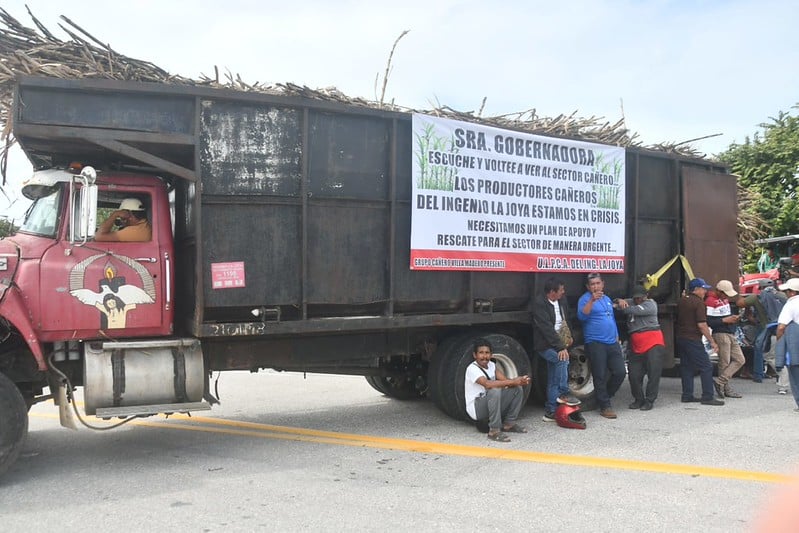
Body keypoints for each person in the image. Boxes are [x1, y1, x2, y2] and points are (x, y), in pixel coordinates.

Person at [577, 272, 626, 419]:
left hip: (612, 341)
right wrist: (591, 300)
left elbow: (610, 318)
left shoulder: (607, 299)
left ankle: (605, 396)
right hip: (595, 342)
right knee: (600, 374)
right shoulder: (584, 299)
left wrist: (617, 335)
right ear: (588, 286)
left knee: (620, 372)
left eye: (598, 283)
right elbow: (582, 316)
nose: (595, 286)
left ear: (602, 284)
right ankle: (605, 406)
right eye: (592, 284)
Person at [532, 277, 581, 422]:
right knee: (562, 360)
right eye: (561, 290)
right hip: (545, 344)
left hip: (561, 341)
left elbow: (567, 320)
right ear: (552, 292)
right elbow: (546, 328)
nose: (563, 292)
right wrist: (559, 347)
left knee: (553, 378)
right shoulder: (539, 304)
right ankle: (564, 392)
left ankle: (551, 411)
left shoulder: (562, 301)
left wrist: (569, 336)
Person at [464, 338, 530, 442]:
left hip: (489, 401)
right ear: (475, 355)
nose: (484, 356)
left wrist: (520, 381)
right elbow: (487, 384)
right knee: (494, 390)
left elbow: (505, 380)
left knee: (517, 389)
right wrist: (513, 381)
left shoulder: (492, 365)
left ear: (491, 355)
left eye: (487, 353)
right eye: (481, 353)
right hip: (477, 408)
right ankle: (494, 431)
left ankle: (509, 424)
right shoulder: (472, 369)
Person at [614, 285, 664, 410]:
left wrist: (622, 306)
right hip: (636, 344)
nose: (638, 300)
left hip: (653, 342)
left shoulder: (651, 305)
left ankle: (650, 400)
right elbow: (614, 303)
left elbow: (630, 310)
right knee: (633, 374)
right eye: (635, 298)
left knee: (653, 373)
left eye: (640, 298)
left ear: (646, 296)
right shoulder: (631, 302)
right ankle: (638, 399)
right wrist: (619, 300)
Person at [675, 278, 724, 406]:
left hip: (681, 337)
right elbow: (702, 325)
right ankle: (707, 396)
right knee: (706, 366)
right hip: (693, 338)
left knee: (686, 367)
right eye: (703, 289)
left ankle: (687, 395)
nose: (705, 291)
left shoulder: (682, 301)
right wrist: (712, 341)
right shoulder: (699, 303)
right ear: (696, 289)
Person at [705, 280, 744, 398]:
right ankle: (725, 388)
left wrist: (733, 318)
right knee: (724, 362)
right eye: (725, 294)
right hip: (720, 333)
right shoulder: (710, 301)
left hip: (730, 332)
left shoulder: (724, 299)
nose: (727, 296)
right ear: (718, 291)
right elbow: (708, 321)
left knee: (740, 359)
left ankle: (721, 381)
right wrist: (724, 320)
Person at [775, 278, 799, 411]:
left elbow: (781, 327)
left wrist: (780, 342)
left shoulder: (791, 304)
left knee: (796, 374)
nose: (785, 293)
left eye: (787, 291)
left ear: (792, 292)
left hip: (795, 343)